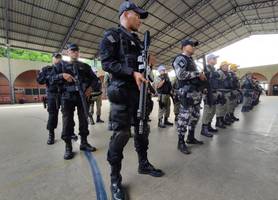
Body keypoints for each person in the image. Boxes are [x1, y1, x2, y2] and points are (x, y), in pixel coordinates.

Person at [99, 2, 164, 199]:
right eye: (138, 16)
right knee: (121, 135)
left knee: (142, 130)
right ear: (126, 14)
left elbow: (143, 69)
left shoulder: (138, 42)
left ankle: (143, 164)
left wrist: (148, 64)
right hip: (122, 92)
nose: (140, 21)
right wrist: (131, 72)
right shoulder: (112, 36)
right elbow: (107, 63)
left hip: (140, 93)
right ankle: (115, 179)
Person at [51, 43, 100, 160]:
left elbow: (95, 80)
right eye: (72, 51)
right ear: (67, 52)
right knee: (67, 121)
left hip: (82, 97)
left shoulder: (85, 66)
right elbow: (49, 79)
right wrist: (61, 76)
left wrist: (91, 88)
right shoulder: (60, 66)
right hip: (67, 97)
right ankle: (68, 147)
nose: (75, 53)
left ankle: (84, 142)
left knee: (84, 119)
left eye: (77, 51)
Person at [172, 39, 206, 155]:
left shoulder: (191, 60)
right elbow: (180, 75)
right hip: (186, 94)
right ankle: (180, 142)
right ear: (183, 47)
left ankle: (190, 137)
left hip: (195, 94)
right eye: (191, 45)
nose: (193, 47)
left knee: (195, 117)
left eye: (193, 46)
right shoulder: (180, 59)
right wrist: (197, 74)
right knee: (184, 119)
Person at [37, 53, 62, 145]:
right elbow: (40, 80)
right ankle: (51, 135)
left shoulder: (65, 68)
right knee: (52, 115)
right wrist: (49, 77)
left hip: (64, 93)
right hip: (52, 94)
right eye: (56, 57)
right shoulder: (46, 69)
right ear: (52, 59)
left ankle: (69, 132)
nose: (58, 59)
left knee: (67, 114)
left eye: (59, 57)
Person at [200, 54, 220, 138]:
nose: (215, 60)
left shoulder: (214, 69)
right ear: (208, 60)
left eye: (216, 58)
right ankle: (204, 128)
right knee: (207, 110)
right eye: (214, 58)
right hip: (208, 92)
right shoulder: (205, 69)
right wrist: (203, 89)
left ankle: (208, 125)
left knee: (213, 110)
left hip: (214, 92)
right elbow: (201, 80)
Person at [215, 61, 233, 128]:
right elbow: (217, 83)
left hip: (226, 92)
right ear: (222, 66)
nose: (227, 67)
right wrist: (219, 92)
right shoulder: (220, 72)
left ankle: (222, 120)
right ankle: (218, 122)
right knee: (220, 108)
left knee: (224, 108)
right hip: (221, 92)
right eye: (225, 66)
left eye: (227, 66)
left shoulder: (227, 73)